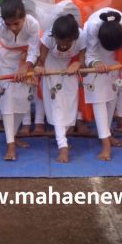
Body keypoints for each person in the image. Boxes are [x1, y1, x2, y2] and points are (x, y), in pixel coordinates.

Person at [0, 0, 40, 161]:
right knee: (7, 101)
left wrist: (26, 65)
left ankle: (13, 136)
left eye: (17, 23)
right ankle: (11, 145)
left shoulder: (33, 24)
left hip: (25, 61)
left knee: (22, 101)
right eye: (9, 24)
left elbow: (34, 49)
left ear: (24, 16)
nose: (13, 28)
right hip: (4, 60)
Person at [82, 8, 122, 161]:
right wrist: (96, 62)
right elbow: (89, 54)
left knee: (111, 98)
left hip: (115, 61)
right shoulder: (92, 26)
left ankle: (106, 134)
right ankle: (106, 144)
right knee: (99, 101)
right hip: (95, 61)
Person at [34, 14, 86, 164]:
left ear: (74, 38)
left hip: (71, 68)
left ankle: (63, 133)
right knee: (57, 105)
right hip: (52, 68)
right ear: (54, 36)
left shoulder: (82, 36)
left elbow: (82, 59)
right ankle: (62, 146)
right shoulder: (48, 36)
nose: (63, 46)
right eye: (60, 42)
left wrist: (78, 64)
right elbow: (41, 60)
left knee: (70, 104)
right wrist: (39, 67)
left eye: (68, 42)